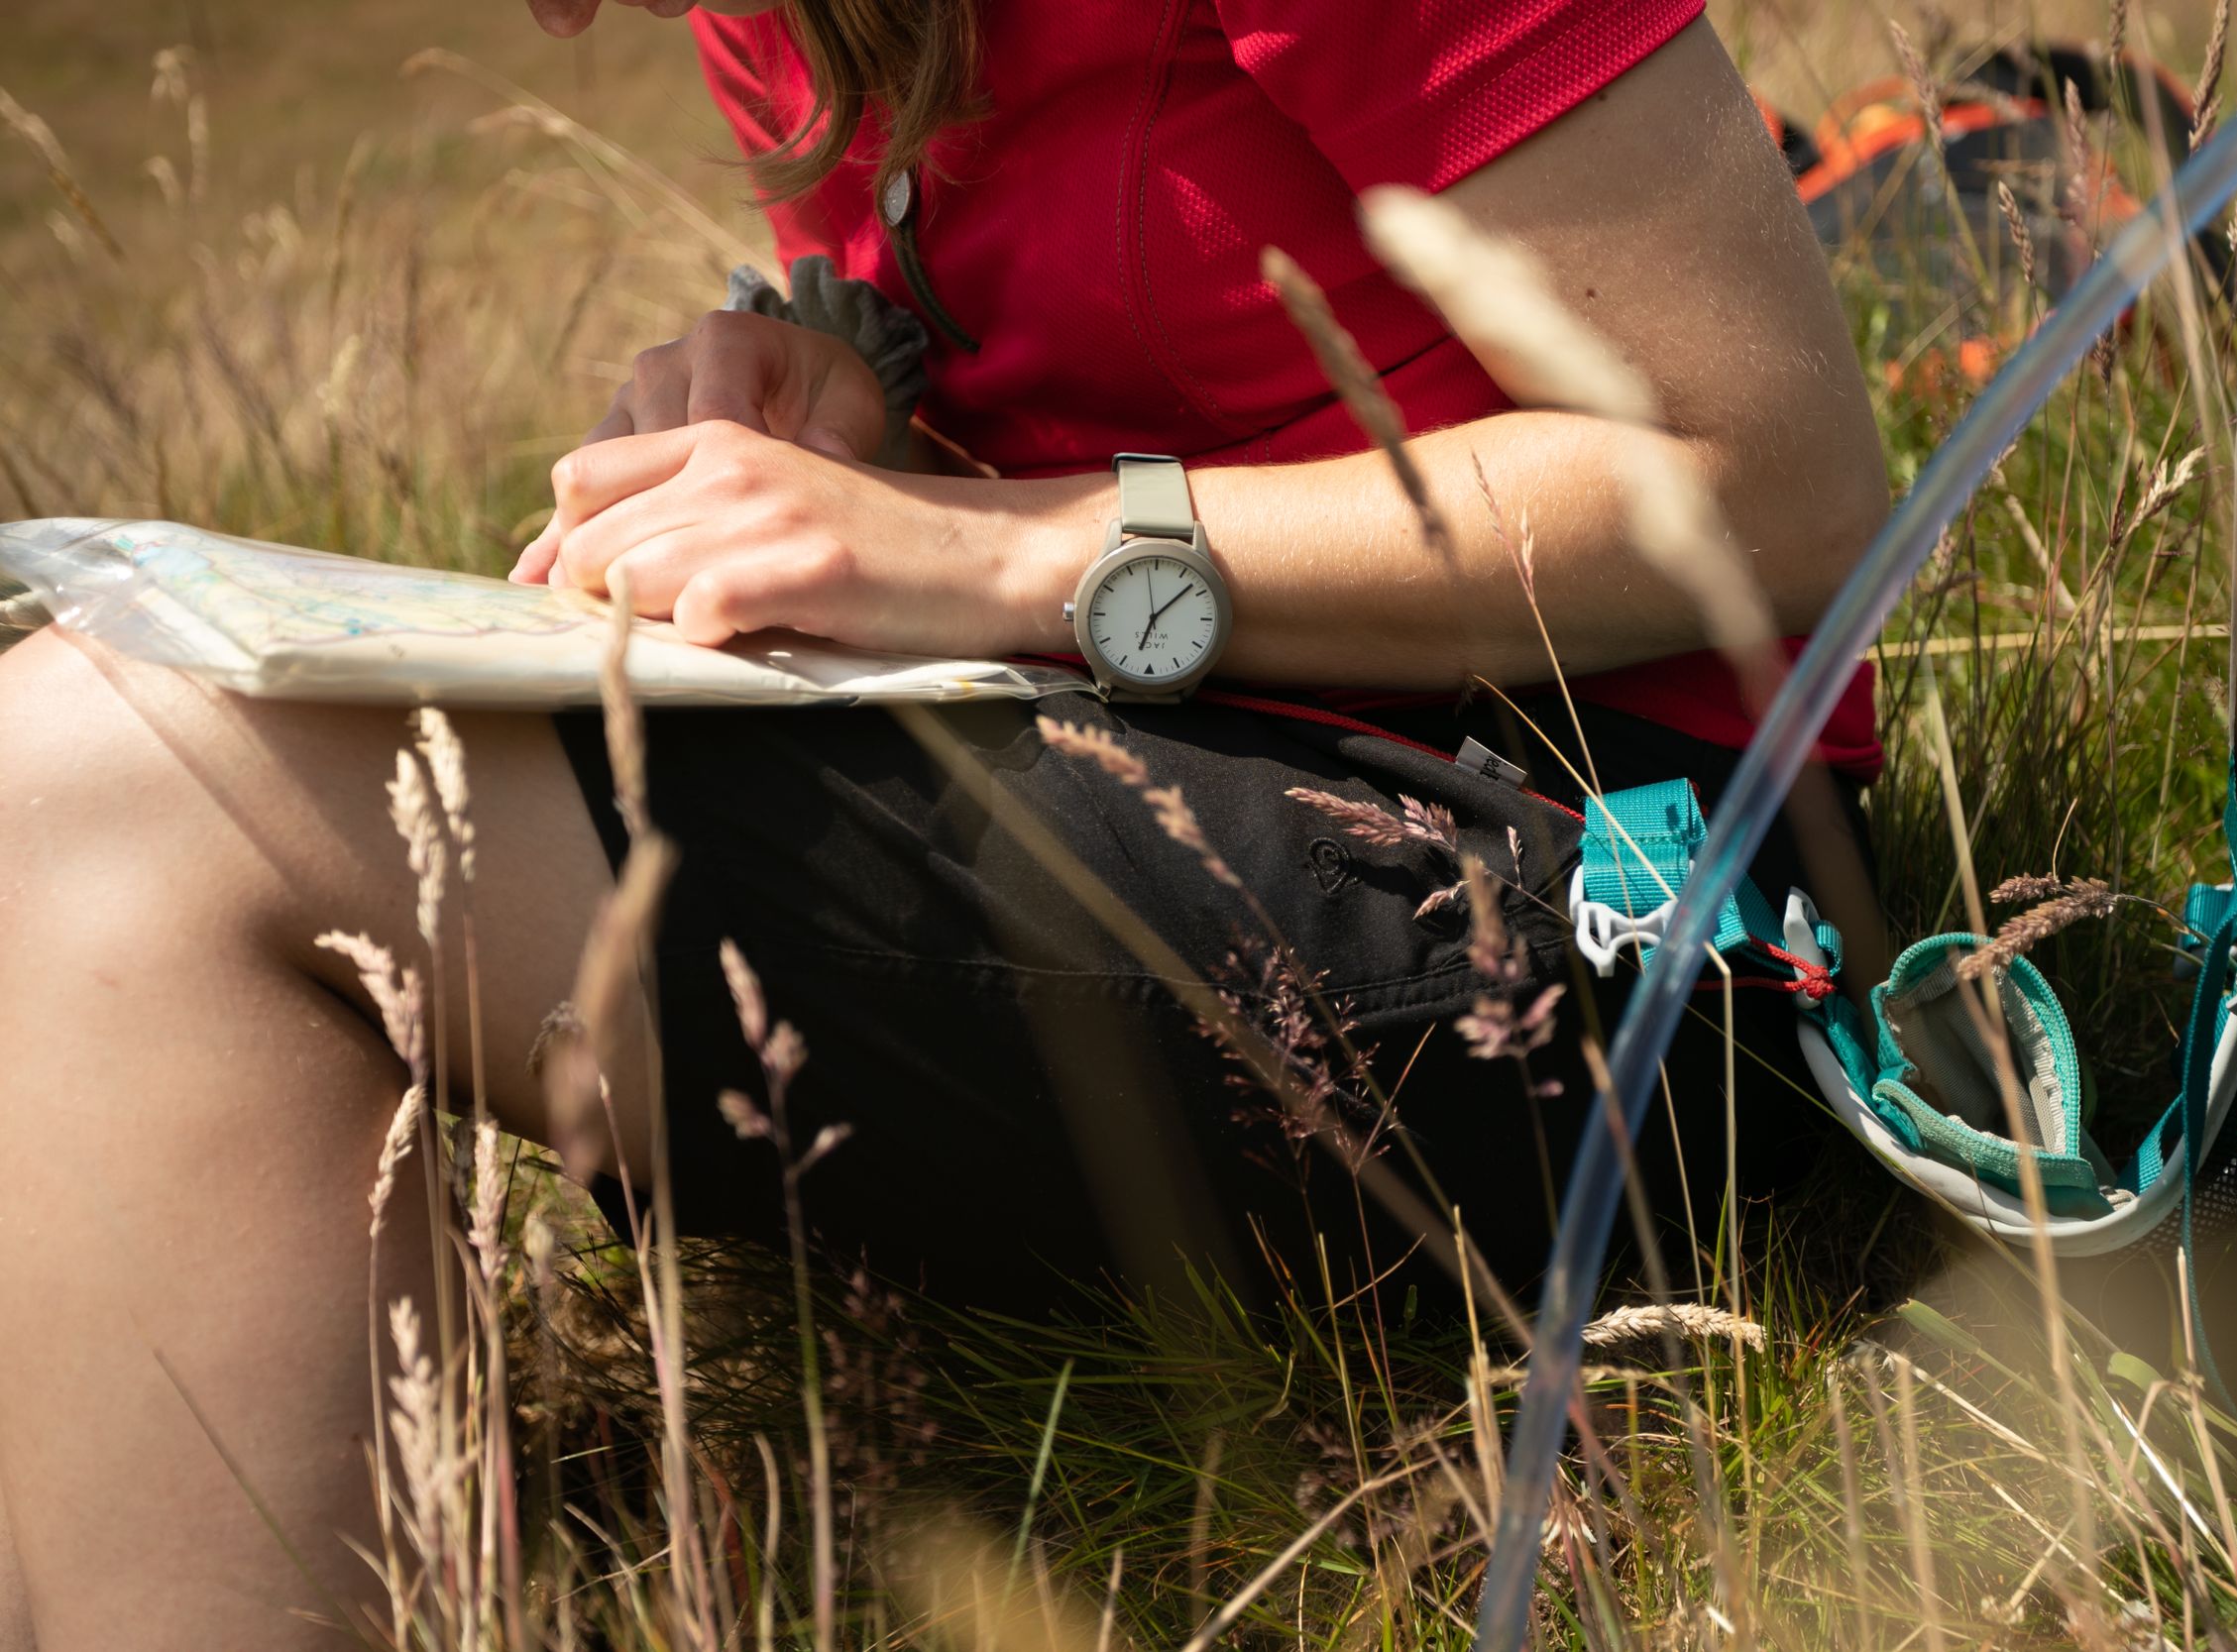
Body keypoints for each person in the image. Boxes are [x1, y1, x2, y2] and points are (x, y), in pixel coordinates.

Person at [0, 0, 1890, 1642]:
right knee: (64, 722)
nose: (572, 29)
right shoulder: (794, 15)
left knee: (136, 794)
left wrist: (1011, 548)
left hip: (1628, 917)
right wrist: (870, 438)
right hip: (1203, 770)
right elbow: (1156, 410)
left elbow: (1780, 482)